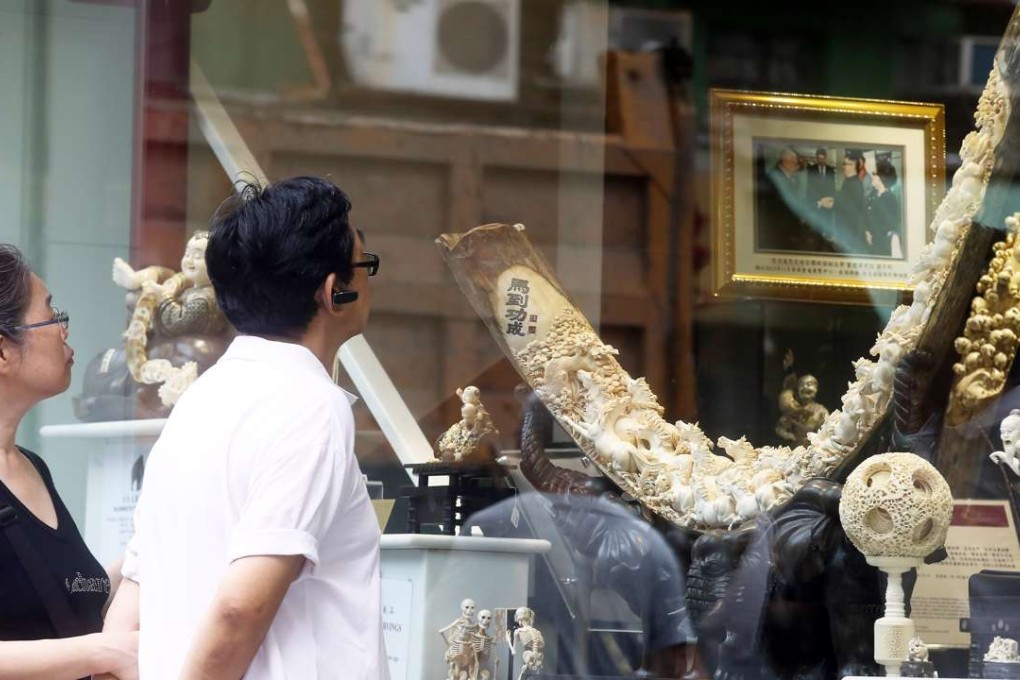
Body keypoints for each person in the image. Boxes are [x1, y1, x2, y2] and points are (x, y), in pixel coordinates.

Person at [103, 177, 389, 679]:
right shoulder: (310, 406)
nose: (369, 280)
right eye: (364, 266)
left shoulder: (196, 403)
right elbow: (241, 608)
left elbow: (133, 596)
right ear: (333, 292)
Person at [0, 244, 138, 679]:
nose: (64, 327)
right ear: (2, 351)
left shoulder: (33, 468)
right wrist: (101, 653)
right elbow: (88, 644)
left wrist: (148, 553)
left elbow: (70, 600)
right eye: (50, 312)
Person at [757, 146, 813, 252]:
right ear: (787, 162)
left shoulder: (785, 177)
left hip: (785, 226)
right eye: (795, 163)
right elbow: (779, 205)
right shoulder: (776, 178)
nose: (796, 167)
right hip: (779, 228)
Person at [868, 158, 903, 258]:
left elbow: (890, 226)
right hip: (873, 244)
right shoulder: (873, 194)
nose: (872, 176)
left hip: (883, 248)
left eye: (874, 173)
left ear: (881, 177)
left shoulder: (889, 199)